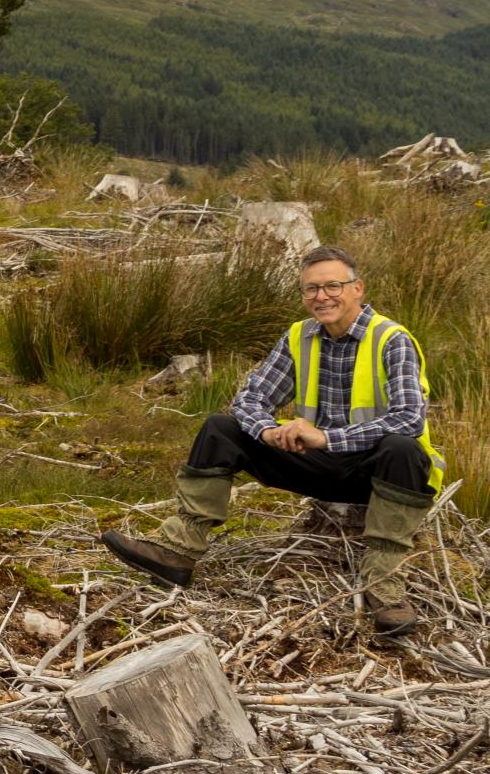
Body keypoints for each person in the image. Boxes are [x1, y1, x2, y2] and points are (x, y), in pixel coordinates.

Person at [100, 246, 445, 637]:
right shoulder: (299, 335)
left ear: (357, 289)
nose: (322, 296)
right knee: (221, 428)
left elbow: (408, 419)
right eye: (311, 289)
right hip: (318, 465)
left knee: (402, 447)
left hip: (379, 476)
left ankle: (384, 587)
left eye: (333, 286)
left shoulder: (391, 340)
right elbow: (249, 399)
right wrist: (267, 429)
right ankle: (178, 550)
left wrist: (327, 437)